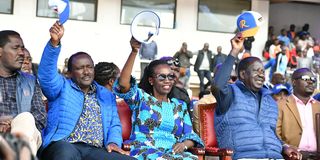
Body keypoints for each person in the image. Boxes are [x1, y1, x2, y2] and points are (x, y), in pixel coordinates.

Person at [38, 22, 134, 160]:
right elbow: (46, 76)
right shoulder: (61, 86)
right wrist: (54, 44)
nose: (86, 72)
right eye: (80, 68)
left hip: (95, 149)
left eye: (89, 67)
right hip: (64, 144)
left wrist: (113, 142)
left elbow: (114, 124)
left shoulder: (106, 95)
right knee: (65, 154)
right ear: (70, 73)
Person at [212, 33, 301, 159]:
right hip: (244, 156)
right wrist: (234, 51)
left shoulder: (270, 101)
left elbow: (270, 134)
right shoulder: (230, 94)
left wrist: (285, 147)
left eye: (263, 72)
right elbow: (218, 86)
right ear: (242, 74)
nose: (261, 75)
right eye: (256, 71)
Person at [113, 37, 204, 160]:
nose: (167, 80)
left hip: (173, 152)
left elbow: (190, 135)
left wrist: (184, 145)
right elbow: (123, 84)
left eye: (170, 76)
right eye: (162, 77)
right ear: (151, 80)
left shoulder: (179, 106)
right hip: (145, 150)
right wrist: (134, 52)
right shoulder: (141, 98)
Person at [0, 30, 47, 157]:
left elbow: (40, 117)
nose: (21, 53)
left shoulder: (30, 82)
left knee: (25, 118)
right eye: (16, 48)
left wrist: (14, 125)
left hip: (26, 133)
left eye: (22, 48)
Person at [277, 68, 320, 159]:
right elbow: (275, 135)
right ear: (294, 82)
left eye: (313, 79)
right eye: (305, 78)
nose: (310, 82)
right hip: (292, 157)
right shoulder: (280, 105)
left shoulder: (318, 106)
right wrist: (287, 148)